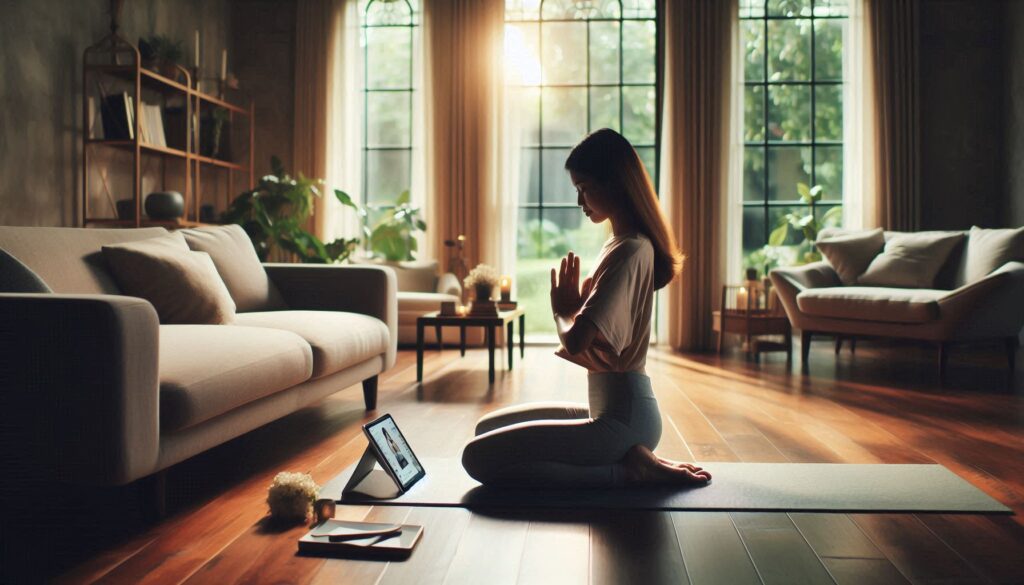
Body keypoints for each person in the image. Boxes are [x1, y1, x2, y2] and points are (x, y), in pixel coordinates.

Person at [461, 128, 712, 488]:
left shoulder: (630, 250)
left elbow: (577, 340)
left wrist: (563, 310)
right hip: (618, 413)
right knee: (486, 429)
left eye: (584, 188)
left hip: (622, 420)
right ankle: (634, 456)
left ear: (614, 183)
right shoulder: (621, 244)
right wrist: (575, 308)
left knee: (476, 458)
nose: (580, 200)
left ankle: (626, 470)